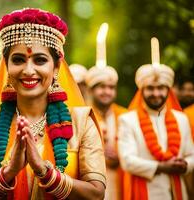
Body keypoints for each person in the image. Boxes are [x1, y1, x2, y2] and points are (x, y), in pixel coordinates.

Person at [0, 8, 106, 200]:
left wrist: (44, 171)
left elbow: (96, 194)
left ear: (56, 67)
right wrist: (8, 173)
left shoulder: (81, 123)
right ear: (6, 66)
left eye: (40, 60)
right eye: (19, 60)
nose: (29, 70)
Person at [118, 38, 194, 200]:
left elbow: (191, 154)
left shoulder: (181, 119)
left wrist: (185, 165)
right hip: (145, 192)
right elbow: (127, 160)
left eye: (161, 88)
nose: (156, 93)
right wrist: (162, 167)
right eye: (150, 89)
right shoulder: (128, 120)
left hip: (177, 191)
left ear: (168, 90)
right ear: (142, 91)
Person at [85, 23, 127, 200]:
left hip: (123, 183)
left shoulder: (125, 115)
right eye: (101, 87)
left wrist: (121, 157)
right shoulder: (82, 116)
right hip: (90, 184)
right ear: (91, 89)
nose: (107, 92)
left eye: (111, 87)